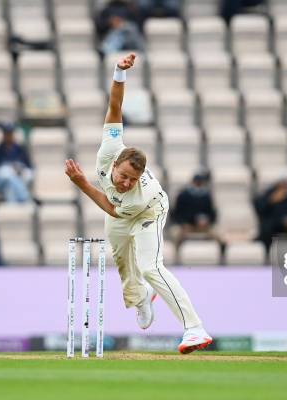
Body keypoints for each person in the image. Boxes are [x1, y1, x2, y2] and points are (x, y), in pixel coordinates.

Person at [64, 53, 212, 354]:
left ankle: (194, 328)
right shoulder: (110, 148)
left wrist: (81, 183)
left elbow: (111, 207)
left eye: (133, 179)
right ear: (116, 163)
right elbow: (115, 105)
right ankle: (140, 299)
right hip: (119, 209)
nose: (126, 182)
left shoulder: (138, 193)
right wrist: (119, 71)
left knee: (149, 266)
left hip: (149, 211)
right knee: (121, 259)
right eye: (124, 176)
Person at [172, 168, 223, 249]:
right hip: (187, 225)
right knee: (176, 235)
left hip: (204, 226)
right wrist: (184, 223)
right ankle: (176, 256)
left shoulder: (206, 196)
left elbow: (212, 213)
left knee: (218, 235)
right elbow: (176, 213)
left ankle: (222, 254)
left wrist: (207, 220)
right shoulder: (183, 195)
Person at [0, 123, 33, 202]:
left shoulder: (20, 150)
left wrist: (18, 168)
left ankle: (13, 209)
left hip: (18, 177)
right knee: (7, 173)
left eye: (10, 134)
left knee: (9, 188)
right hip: (2, 180)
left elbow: (29, 166)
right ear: (3, 136)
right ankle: (24, 197)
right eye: (6, 134)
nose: (8, 136)